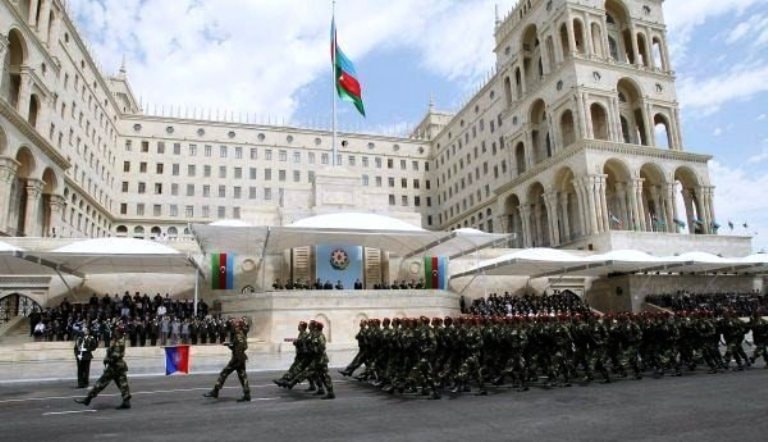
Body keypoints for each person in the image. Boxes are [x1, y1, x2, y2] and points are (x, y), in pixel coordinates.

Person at [75, 323, 132, 409]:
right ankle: (126, 401)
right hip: (119, 366)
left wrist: (107, 359)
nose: (115, 331)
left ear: (119, 332)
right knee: (123, 384)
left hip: (114, 367)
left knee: (101, 382)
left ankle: (88, 399)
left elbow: (115, 355)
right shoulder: (118, 340)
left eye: (116, 331)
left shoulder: (119, 342)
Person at [203, 319, 251, 402]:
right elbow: (243, 346)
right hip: (241, 358)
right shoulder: (241, 334)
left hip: (237, 358)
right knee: (243, 376)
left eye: (236, 326)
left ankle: (215, 391)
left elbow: (240, 346)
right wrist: (229, 344)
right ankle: (247, 394)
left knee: (224, 373)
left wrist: (235, 354)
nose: (234, 328)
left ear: (239, 327)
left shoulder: (238, 335)